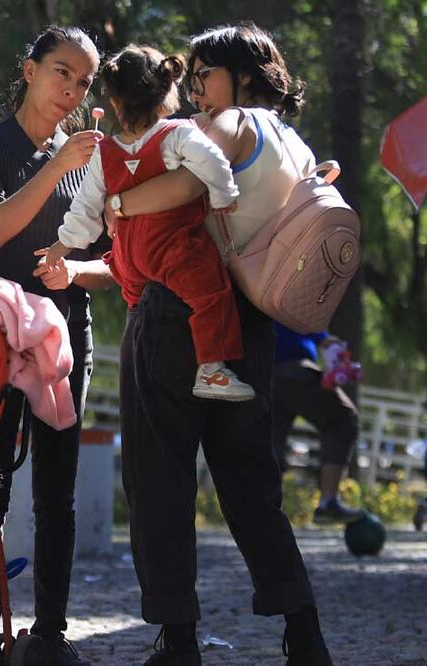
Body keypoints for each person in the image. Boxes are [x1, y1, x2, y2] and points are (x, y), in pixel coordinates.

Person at [35, 23, 332, 665]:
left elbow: (191, 188)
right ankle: (302, 628)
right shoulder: (297, 144)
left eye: (205, 75)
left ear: (242, 77)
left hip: (174, 317)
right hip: (243, 322)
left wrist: (115, 201)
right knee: (252, 482)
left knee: (159, 476)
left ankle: (177, 640)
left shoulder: (221, 129)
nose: (195, 90)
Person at [0, 24, 103, 666]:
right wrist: (55, 167)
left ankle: (49, 632)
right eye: (61, 72)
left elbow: (112, 259)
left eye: (84, 81)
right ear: (29, 69)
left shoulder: (90, 159)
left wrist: (73, 271)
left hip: (66, 334)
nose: (70, 89)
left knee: (56, 488)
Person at [43, 44, 253, 402]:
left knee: (140, 312)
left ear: (116, 104)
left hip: (128, 259)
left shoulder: (104, 153)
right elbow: (214, 163)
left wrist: (60, 246)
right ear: (166, 94)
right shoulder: (177, 134)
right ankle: (211, 369)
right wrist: (224, 198)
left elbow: (86, 207)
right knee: (212, 292)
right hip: (172, 252)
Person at [272, 324, 366, 524]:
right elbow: (289, 309)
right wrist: (323, 337)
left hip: (260, 370)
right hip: (292, 365)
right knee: (343, 419)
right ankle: (328, 503)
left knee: (271, 442)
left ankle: (262, 512)